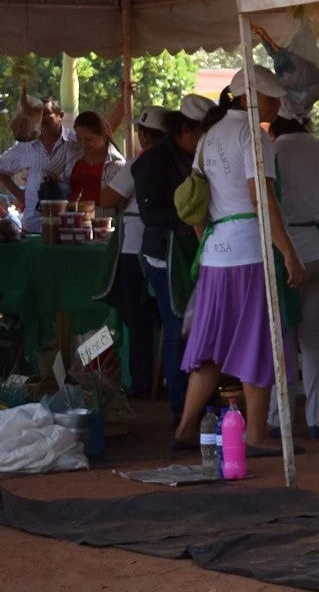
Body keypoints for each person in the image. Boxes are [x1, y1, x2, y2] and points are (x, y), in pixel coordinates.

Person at [170, 66, 306, 458]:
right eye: (270, 95)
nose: (277, 102)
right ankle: (257, 436)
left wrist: (208, 242)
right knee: (259, 340)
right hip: (250, 252)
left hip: (216, 254)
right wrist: (288, 252)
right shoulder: (253, 135)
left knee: (210, 345)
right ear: (248, 96)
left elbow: (193, 201)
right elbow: (262, 198)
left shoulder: (208, 137)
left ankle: (183, 429)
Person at [268, 114, 319, 440]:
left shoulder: (272, 151)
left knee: (283, 339)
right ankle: (317, 421)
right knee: (315, 341)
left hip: (292, 251)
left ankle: (277, 419)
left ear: (275, 125)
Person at [135, 95, 211, 421]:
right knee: (177, 323)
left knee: (196, 325)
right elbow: (151, 214)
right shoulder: (151, 163)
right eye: (200, 135)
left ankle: (197, 397)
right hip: (165, 254)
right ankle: (181, 403)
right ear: (184, 130)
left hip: (191, 250)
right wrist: (190, 220)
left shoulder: (191, 157)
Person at [97, 107, 168, 400]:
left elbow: (108, 198)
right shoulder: (178, 162)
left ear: (143, 134)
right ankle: (163, 378)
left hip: (134, 249)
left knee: (136, 318)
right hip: (166, 247)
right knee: (165, 318)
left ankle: (140, 381)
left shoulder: (139, 164)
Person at [0, 97, 77, 232]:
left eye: (46, 113)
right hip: (34, 225)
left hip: (70, 225)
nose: (41, 118)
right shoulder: (26, 145)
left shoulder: (75, 142)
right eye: (37, 114)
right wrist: (19, 194)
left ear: (60, 116)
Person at [66, 112, 124, 202]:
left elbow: (116, 205)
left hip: (101, 215)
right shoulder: (72, 153)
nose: (83, 144)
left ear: (104, 136)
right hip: (70, 213)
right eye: (78, 138)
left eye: (89, 139)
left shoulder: (116, 165)